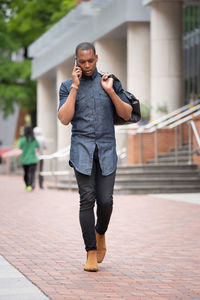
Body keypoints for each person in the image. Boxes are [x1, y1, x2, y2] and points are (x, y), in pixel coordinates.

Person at [58, 42, 132, 272]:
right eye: (82, 62)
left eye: (91, 60)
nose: (87, 65)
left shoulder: (110, 81)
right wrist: (75, 87)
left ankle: (100, 233)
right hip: (82, 149)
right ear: (76, 62)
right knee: (86, 199)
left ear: (97, 58)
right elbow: (64, 118)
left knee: (106, 201)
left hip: (107, 149)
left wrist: (110, 91)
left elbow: (127, 113)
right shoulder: (67, 85)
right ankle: (90, 252)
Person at [18, 125, 40, 191]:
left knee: (26, 173)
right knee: (32, 173)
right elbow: (38, 149)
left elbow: (19, 148)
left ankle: (27, 184)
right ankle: (29, 185)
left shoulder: (22, 139)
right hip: (33, 159)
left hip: (24, 160)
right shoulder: (34, 139)